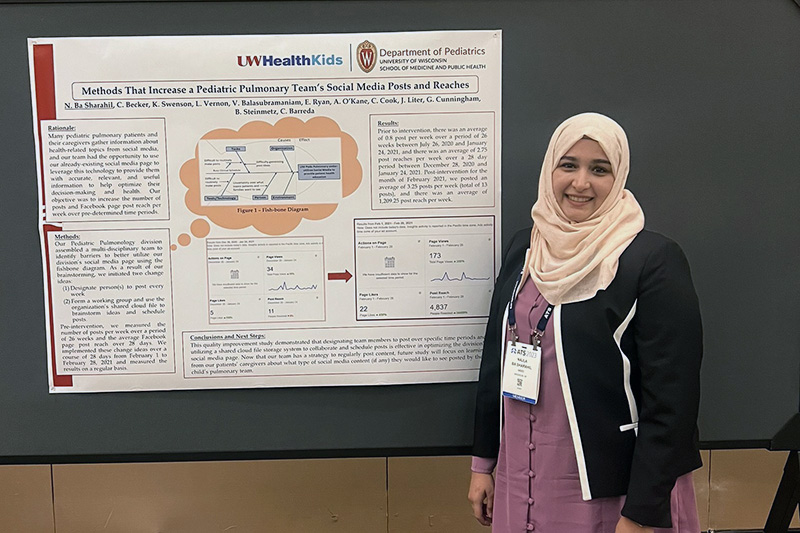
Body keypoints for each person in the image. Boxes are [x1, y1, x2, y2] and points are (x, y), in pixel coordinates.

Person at [468, 113, 702, 533]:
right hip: (519, 478)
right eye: (568, 165)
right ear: (550, 169)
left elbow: (673, 401)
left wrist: (642, 513)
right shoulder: (527, 245)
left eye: (600, 169)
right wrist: (483, 463)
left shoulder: (651, 260)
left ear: (620, 176)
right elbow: (495, 359)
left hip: (611, 490)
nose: (580, 183)